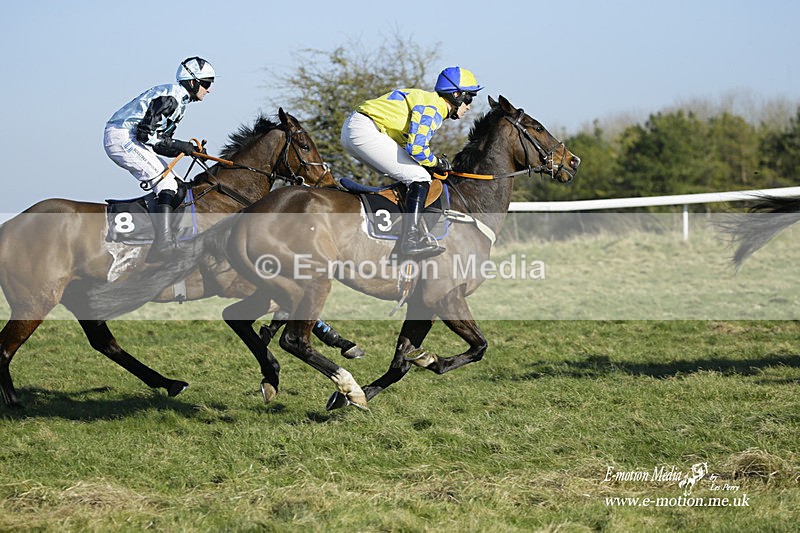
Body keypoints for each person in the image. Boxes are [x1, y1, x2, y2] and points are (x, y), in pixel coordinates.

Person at [341, 66, 483, 259]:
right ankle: (411, 239)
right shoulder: (434, 107)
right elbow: (416, 148)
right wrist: (436, 163)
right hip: (364, 129)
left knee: (414, 172)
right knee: (419, 177)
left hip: (357, 129)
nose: (469, 105)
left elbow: (404, 142)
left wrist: (429, 162)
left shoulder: (428, 101)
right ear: (456, 94)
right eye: (469, 98)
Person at [104, 56, 215, 262]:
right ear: (193, 82)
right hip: (121, 136)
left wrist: (188, 149)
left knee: (178, 185)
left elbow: (160, 141)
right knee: (166, 184)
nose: (209, 89)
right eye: (207, 83)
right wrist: (181, 146)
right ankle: (162, 244)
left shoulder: (179, 99)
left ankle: (163, 235)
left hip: (131, 137)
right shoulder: (171, 97)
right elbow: (147, 136)